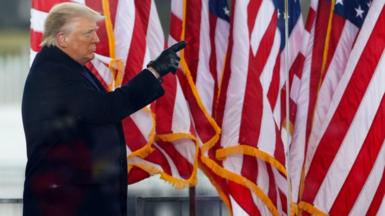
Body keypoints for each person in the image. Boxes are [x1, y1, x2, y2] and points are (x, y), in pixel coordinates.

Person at [21, 2, 185, 216]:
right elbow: (105, 109)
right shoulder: (54, 72)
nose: (97, 40)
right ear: (62, 39)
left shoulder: (67, 68)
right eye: (88, 33)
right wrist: (153, 72)